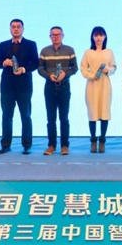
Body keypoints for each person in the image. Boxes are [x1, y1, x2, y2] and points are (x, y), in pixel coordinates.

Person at [0, 19, 39, 155]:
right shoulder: (3, 45)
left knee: (25, 116)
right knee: (6, 115)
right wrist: (4, 63)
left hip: (24, 85)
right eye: (13, 27)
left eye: (18, 27)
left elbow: (36, 63)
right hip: (7, 86)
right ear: (10, 29)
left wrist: (24, 69)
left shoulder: (31, 44)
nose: (15, 29)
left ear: (23, 29)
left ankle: (27, 145)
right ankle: (5, 144)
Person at [37, 26, 78, 156]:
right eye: (53, 35)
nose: (55, 37)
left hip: (64, 87)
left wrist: (65, 74)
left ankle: (64, 146)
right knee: (51, 119)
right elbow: (40, 68)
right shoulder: (44, 51)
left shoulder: (70, 50)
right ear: (50, 37)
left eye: (58, 34)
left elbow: (75, 68)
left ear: (63, 36)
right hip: (49, 87)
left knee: (64, 118)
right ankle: (51, 145)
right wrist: (48, 75)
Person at [80, 26, 116, 154]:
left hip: (105, 85)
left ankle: (102, 139)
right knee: (92, 112)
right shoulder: (88, 53)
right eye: (96, 35)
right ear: (92, 37)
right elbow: (83, 68)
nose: (98, 38)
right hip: (92, 85)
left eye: (101, 35)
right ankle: (93, 139)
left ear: (105, 37)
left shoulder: (109, 52)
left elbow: (114, 67)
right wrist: (91, 76)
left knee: (104, 111)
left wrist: (108, 70)